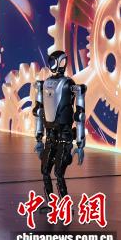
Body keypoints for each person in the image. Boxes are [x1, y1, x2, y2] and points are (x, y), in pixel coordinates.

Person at [33, 49, 86, 207]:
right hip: (50, 135)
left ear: (62, 62)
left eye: (56, 61)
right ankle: (51, 203)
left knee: (58, 173)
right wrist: (38, 138)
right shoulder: (45, 83)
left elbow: (80, 114)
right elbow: (39, 111)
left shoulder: (69, 84)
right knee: (45, 171)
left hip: (64, 135)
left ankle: (65, 205)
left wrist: (80, 144)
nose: (53, 65)